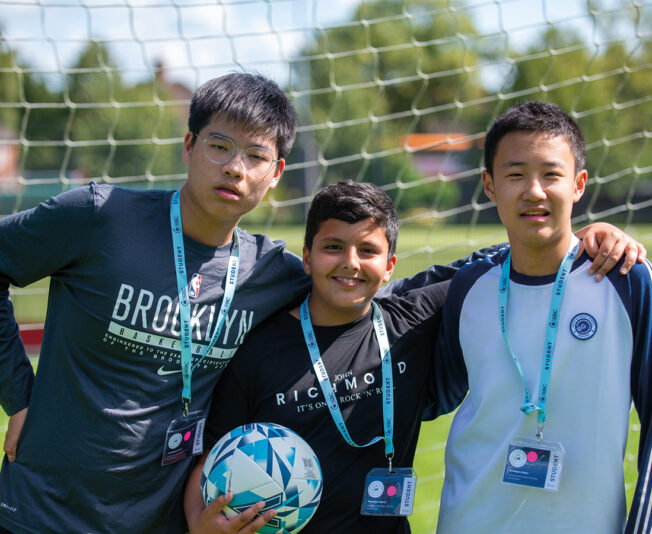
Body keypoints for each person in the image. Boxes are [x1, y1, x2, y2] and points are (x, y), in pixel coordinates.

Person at [0, 68, 642, 533]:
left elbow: (443, 274)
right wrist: (19, 396)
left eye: (256, 155)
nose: (234, 169)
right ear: (189, 145)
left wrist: (581, 238)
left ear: (276, 173)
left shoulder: (269, 271)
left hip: (157, 514)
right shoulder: (98, 216)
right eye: (220, 146)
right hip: (44, 507)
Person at [182, 180, 645, 534]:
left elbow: (518, 254)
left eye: (368, 250)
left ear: (389, 267)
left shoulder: (414, 319)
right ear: (306, 258)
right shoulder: (259, 349)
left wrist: (586, 235)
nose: (350, 263)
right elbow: (210, 455)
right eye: (332, 248)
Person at [434, 101, 652, 534]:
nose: (534, 191)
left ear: (578, 184)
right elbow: (428, 395)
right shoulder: (468, 287)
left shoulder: (628, 282)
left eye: (551, 174)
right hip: (469, 522)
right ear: (490, 186)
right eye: (515, 175)